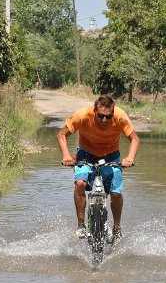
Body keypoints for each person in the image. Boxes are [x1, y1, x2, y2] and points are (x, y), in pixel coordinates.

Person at [58, 94, 139, 240]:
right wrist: (66, 156)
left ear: (113, 113)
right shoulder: (82, 116)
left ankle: (117, 227)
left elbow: (134, 138)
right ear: (94, 111)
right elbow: (62, 134)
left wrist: (130, 158)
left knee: (115, 192)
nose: (104, 120)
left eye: (108, 117)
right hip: (86, 154)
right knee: (80, 183)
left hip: (111, 155)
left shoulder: (120, 117)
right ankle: (81, 225)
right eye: (100, 116)